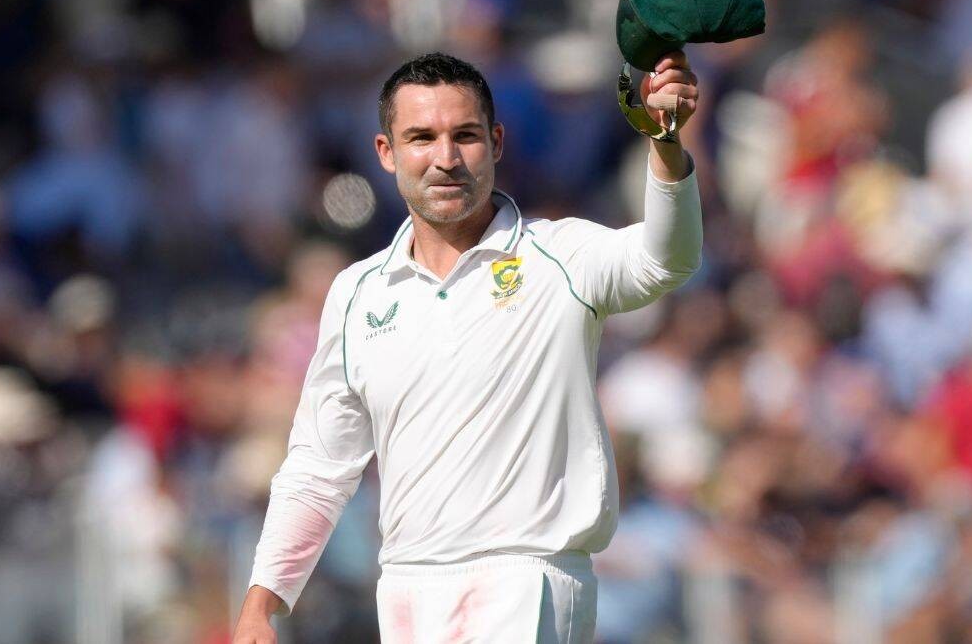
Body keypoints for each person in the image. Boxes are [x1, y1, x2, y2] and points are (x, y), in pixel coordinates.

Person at [232, 51, 702, 643]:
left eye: (466, 136)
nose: (446, 158)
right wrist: (263, 601)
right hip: (406, 586)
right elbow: (319, 466)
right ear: (386, 152)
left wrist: (666, 145)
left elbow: (667, 259)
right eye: (421, 138)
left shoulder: (561, 256)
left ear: (497, 143)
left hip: (526, 578)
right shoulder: (357, 293)